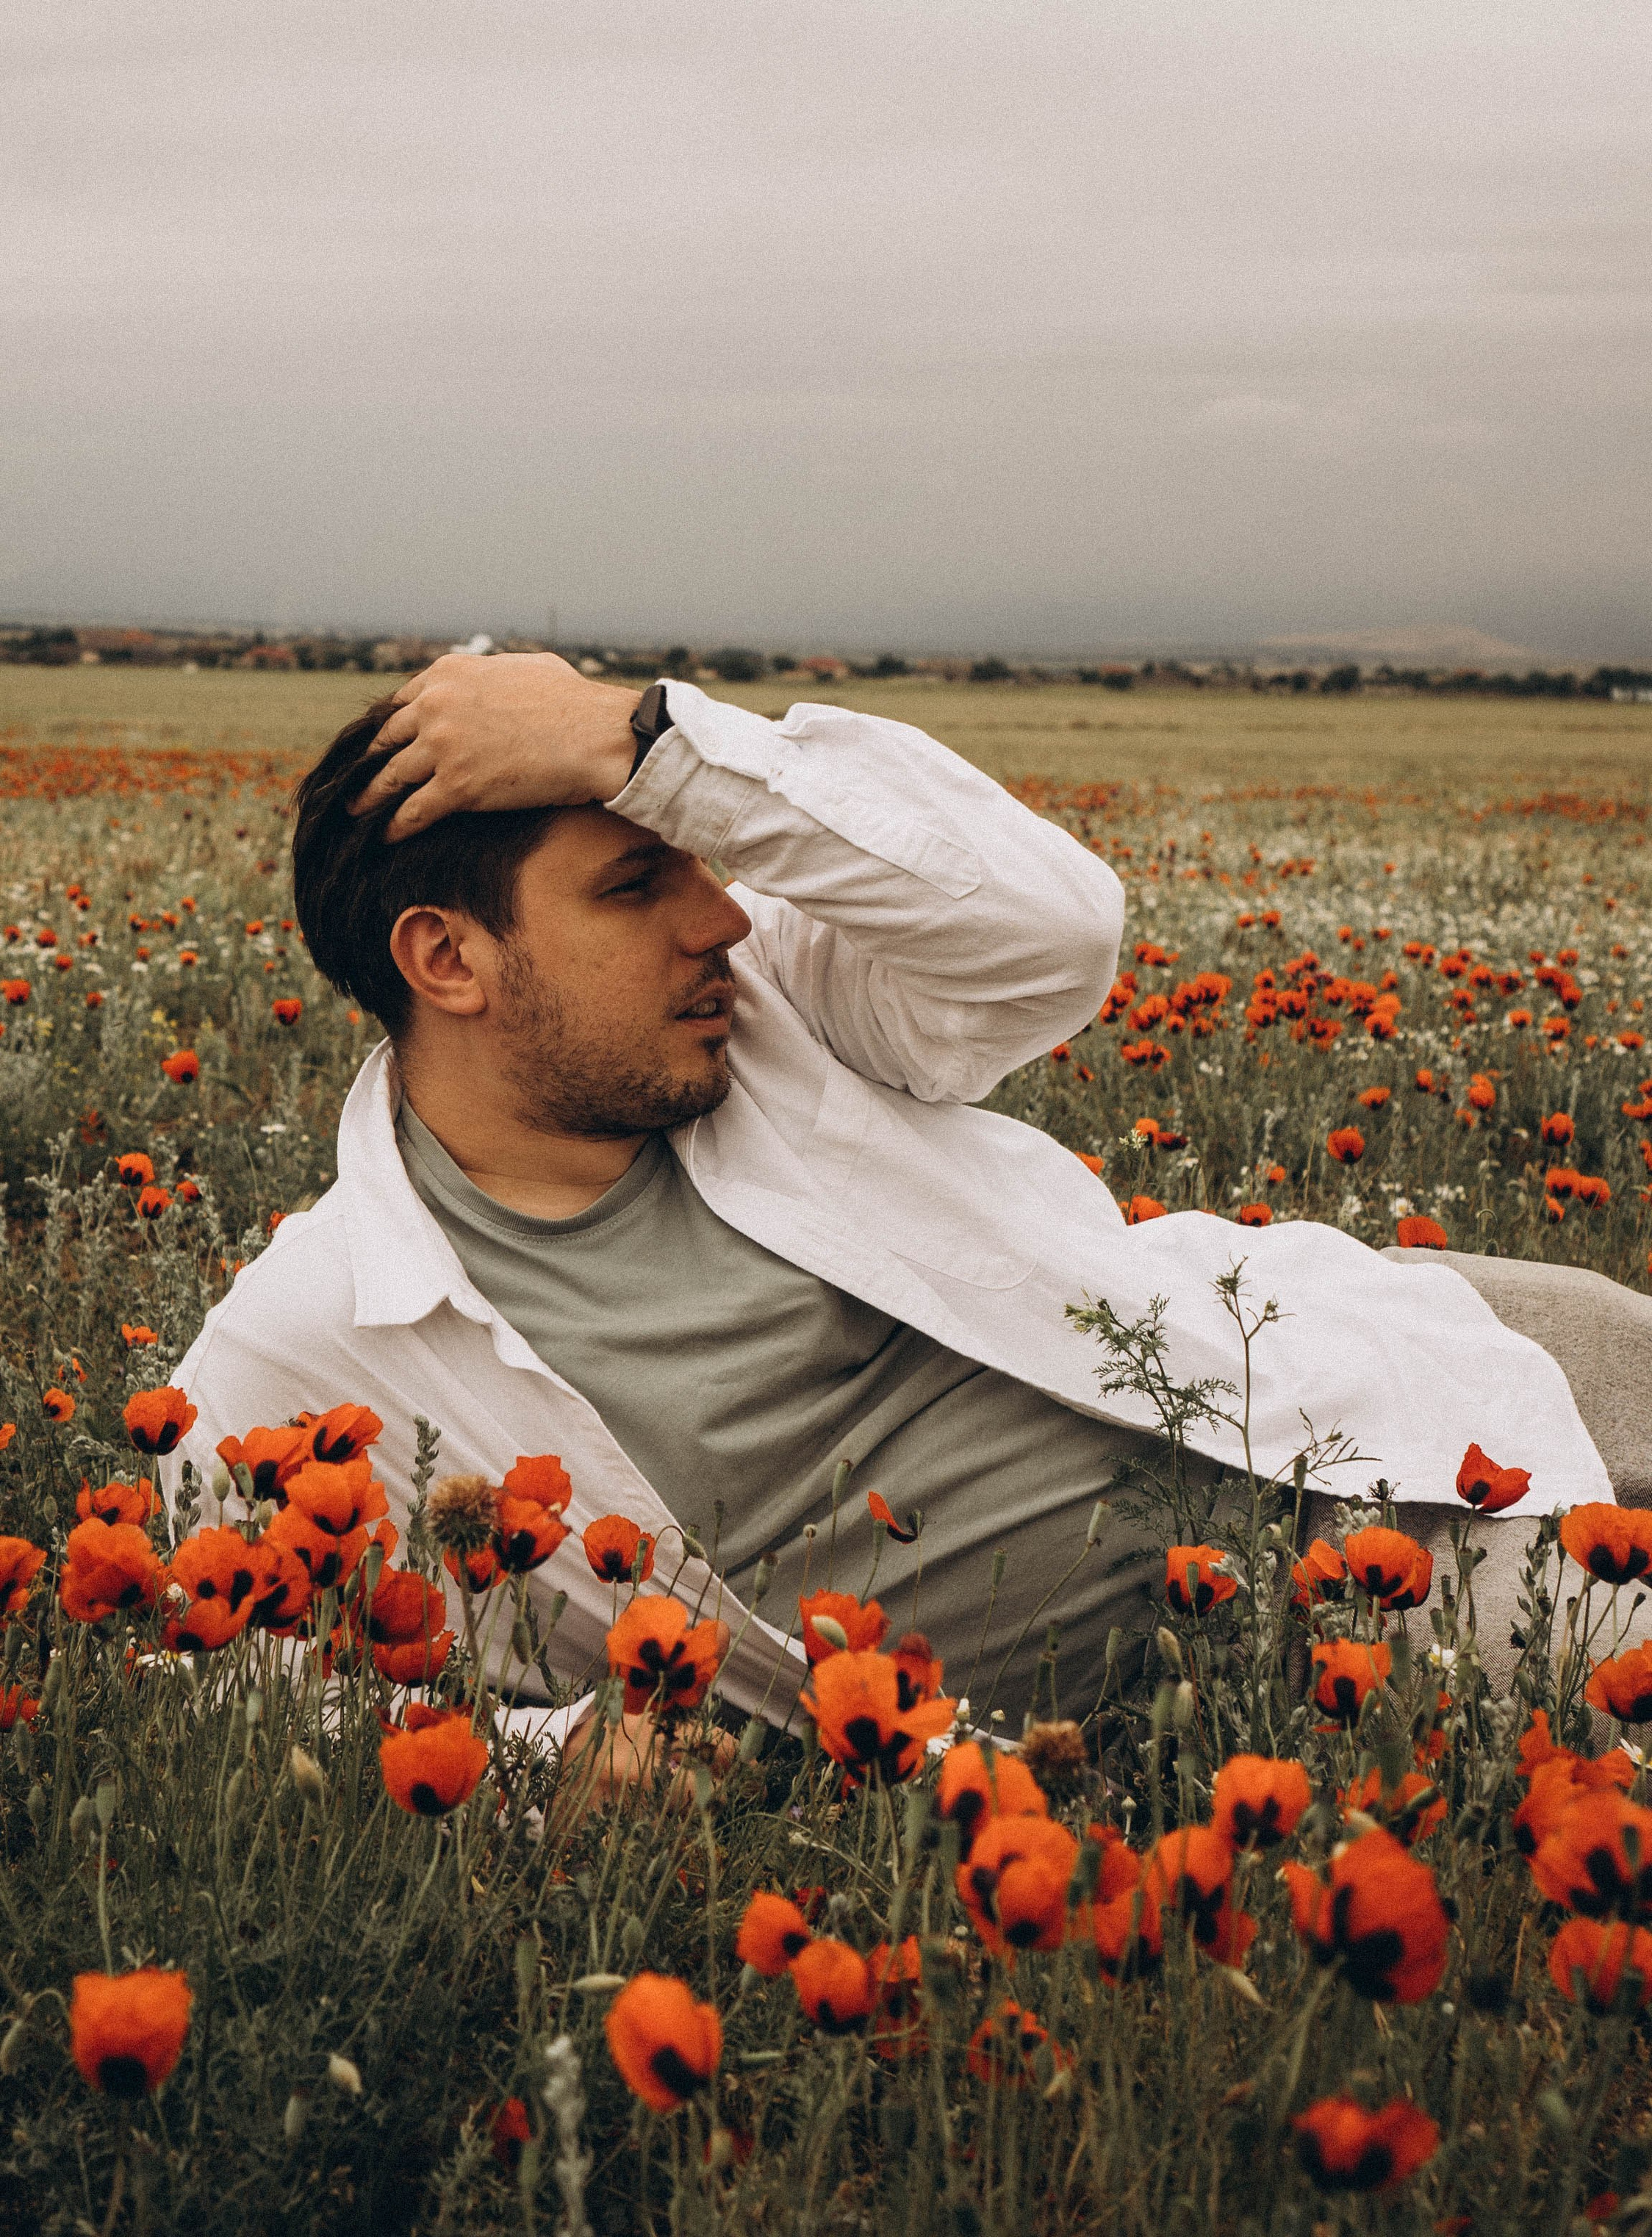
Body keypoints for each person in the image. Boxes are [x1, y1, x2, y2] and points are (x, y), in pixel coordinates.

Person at [165, 654, 1623, 1751]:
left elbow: (1048, 933)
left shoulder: (781, 1009)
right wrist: (538, 1758)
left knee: (1591, 1344)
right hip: (1269, 1655)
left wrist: (644, 744)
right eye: (633, 885)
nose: (719, 915)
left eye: (699, 858)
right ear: (447, 962)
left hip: (1329, 1419)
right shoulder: (311, 1342)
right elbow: (194, 1677)